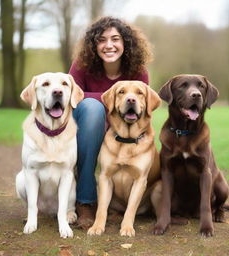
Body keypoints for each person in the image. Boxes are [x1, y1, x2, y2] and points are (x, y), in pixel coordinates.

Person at [69, 16, 153, 229]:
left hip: (122, 128)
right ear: (93, 44)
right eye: (102, 39)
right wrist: (111, 98)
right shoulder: (81, 65)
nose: (109, 45)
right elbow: (72, 97)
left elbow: (142, 108)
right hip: (86, 125)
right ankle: (85, 201)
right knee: (92, 108)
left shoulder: (138, 70)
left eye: (115, 39)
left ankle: (119, 204)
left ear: (125, 43)